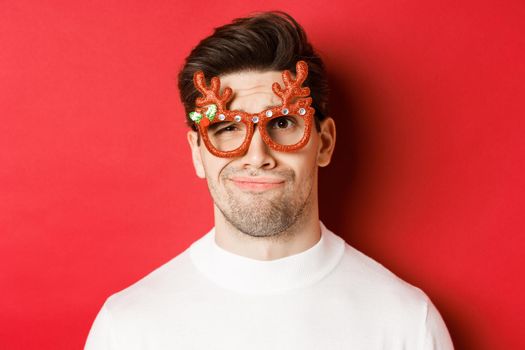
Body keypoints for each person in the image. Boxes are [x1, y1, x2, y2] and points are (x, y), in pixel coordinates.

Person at [85, 11, 454, 349]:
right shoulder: (127, 330)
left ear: (323, 143)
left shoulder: (406, 325)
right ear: (198, 152)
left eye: (282, 123)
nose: (258, 156)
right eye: (228, 127)